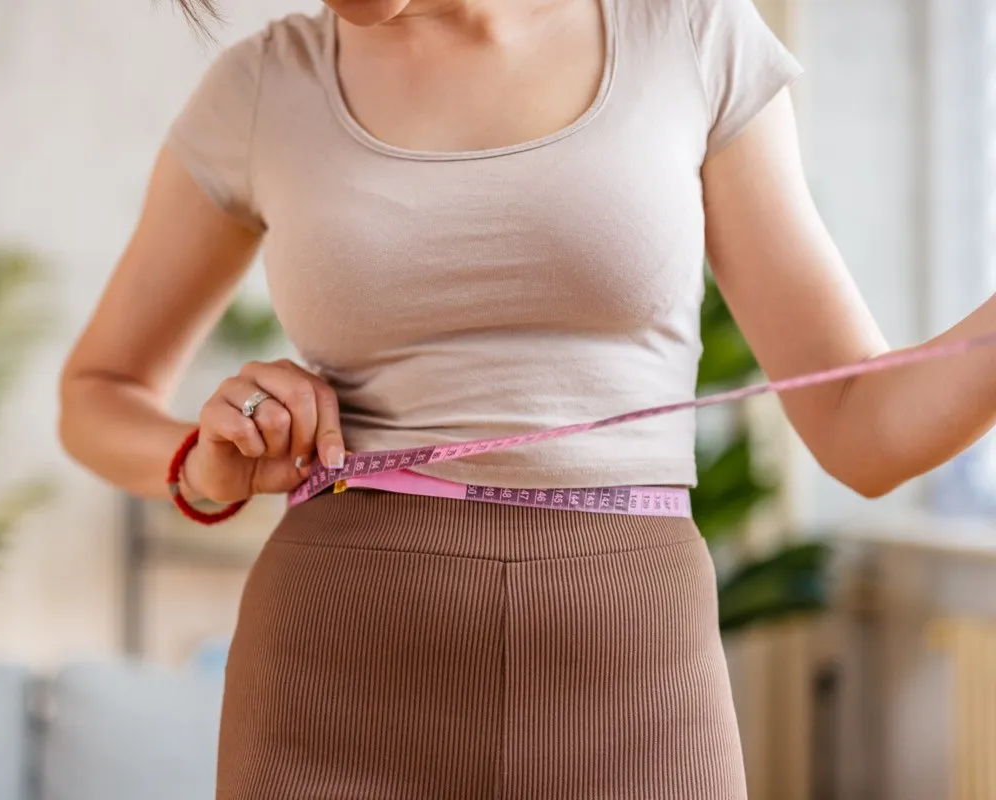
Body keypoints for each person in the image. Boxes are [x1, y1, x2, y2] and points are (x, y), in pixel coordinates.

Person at [58, 0, 996, 796]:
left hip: (635, 665)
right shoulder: (264, 86)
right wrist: (203, 458)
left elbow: (860, 426)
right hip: (333, 667)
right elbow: (95, 393)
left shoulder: (686, 31)